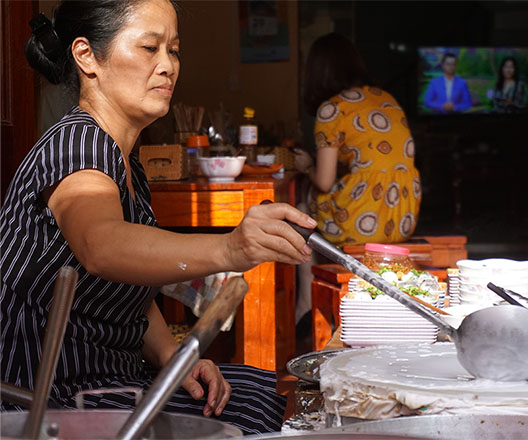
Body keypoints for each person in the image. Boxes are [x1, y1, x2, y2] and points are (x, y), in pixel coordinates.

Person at [0, 0, 317, 435]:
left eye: (174, 50)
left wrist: (173, 357)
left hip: (112, 377)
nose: (167, 65)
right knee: (254, 421)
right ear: (86, 56)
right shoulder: (76, 145)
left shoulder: (127, 160)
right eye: (150, 48)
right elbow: (103, 247)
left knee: (267, 393)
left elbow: (124, 286)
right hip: (50, 397)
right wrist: (231, 247)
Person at [292, 32, 421, 323]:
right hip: (402, 215)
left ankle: (305, 303)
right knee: (315, 204)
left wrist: (307, 165)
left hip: (365, 221)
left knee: (300, 212)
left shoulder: (331, 109)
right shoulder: (385, 98)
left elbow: (324, 181)